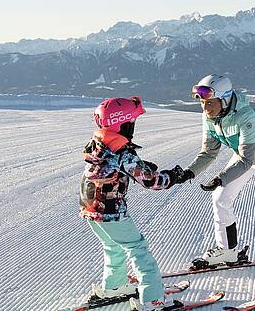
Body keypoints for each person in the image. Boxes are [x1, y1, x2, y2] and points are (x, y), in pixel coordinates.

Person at [165, 74, 255, 289]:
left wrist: (221, 178)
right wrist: (189, 173)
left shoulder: (245, 115)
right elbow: (208, 153)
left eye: (209, 102)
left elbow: (246, 160)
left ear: (224, 100)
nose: (205, 108)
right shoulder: (209, 117)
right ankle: (227, 250)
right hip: (245, 154)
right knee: (220, 199)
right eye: (202, 102)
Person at [80, 96, 192, 311]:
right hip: (110, 210)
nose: (133, 126)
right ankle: (153, 299)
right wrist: (174, 176)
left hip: (90, 208)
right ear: (123, 124)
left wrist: (139, 165)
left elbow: (112, 166)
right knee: (137, 248)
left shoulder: (99, 143)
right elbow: (151, 181)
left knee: (113, 246)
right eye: (131, 122)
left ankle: (115, 286)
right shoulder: (123, 152)